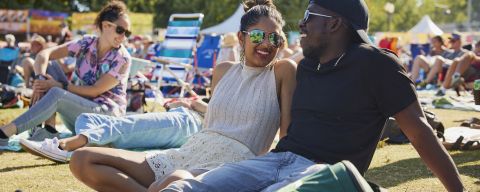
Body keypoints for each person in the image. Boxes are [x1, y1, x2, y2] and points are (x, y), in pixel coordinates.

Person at [161, 0, 465, 191]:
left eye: (309, 15)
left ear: (333, 23)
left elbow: (419, 131)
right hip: (276, 160)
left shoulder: (377, 64)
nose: (301, 24)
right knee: (179, 189)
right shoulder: (305, 66)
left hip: (326, 170)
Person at [68, 1, 296, 191]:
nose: (267, 43)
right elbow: (222, 119)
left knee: (173, 181)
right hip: (189, 151)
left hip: (234, 166)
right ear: (241, 37)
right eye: (258, 36)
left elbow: (287, 140)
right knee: (82, 159)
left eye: (275, 38)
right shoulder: (223, 70)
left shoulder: (282, 71)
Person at [0, 0, 132, 146]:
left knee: (57, 93)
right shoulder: (86, 43)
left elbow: (94, 91)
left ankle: (5, 132)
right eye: (121, 30)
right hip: (79, 115)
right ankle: (49, 129)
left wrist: (58, 85)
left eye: (128, 33)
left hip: (105, 120)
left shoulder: (123, 58)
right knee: (49, 64)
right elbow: (45, 54)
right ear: (105, 25)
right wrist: (40, 80)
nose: (124, 37)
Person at [19, 100, 203, 163]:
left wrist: (194, 104)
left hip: (188, 122)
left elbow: (211, 109)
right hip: (184, 118)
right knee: (86, 118)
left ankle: (66, 146)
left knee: (122, 127)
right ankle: (88, 145)